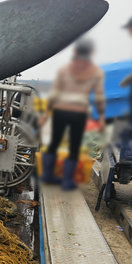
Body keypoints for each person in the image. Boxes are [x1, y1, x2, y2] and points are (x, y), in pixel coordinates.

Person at [39, 38, 105, 190]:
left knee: (54, 144)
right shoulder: (96, 72)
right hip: (78, 113)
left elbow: (54, 93)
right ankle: (67, 182)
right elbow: (99, 97)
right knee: (74, 147)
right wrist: (101, 117)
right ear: (90, 52)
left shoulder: (64, 69)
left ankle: (47, 175)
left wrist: (46, 113)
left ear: (75, 51)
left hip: (61, 111)